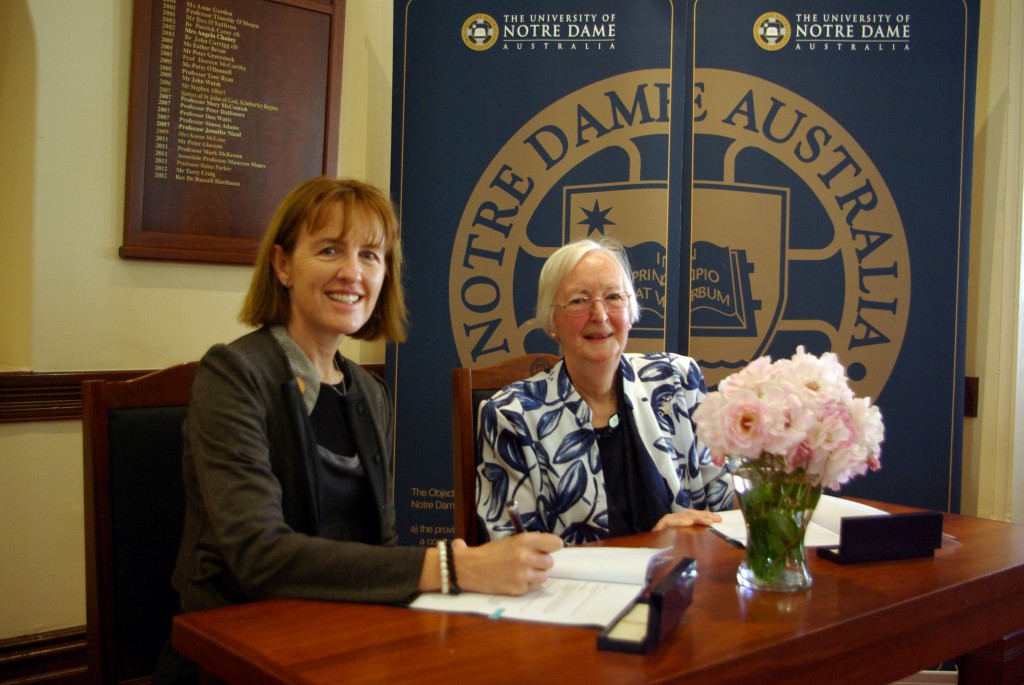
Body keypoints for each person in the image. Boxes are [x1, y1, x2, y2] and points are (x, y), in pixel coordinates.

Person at [155, 177, 562, 683]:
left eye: (371, 255)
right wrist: (453, 568)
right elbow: (258, 556)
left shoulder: (369, 393)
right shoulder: (234, 375)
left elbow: (380, 547)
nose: (352, 272)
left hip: (344, 637)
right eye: (329, 250)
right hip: (234, 650)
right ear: (282, 265)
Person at [476, 238, 734, 544]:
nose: (599, 315)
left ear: (630, 311)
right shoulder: (511, 417)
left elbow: (725, 508)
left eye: (613, 297)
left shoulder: (677, 381)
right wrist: (652, 543)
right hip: (577, 592)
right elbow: (513, 555)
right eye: (578, 301)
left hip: (682, 582)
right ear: (551, 321)